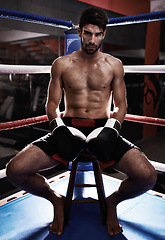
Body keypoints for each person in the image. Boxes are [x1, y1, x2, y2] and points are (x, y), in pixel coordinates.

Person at [6, 7, 157, 237]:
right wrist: (58, 129)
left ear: (104, 34)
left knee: (148, 176)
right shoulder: (62, 64)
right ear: (79, 31)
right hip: (68, 127)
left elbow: (121, 105)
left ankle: (112, 202)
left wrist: (112, 129)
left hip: (103, 128)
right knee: (14, 170)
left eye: (97, 34)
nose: (91, 40)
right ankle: (56, 200)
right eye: (87, 33)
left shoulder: (114, 64)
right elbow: (51, 105)